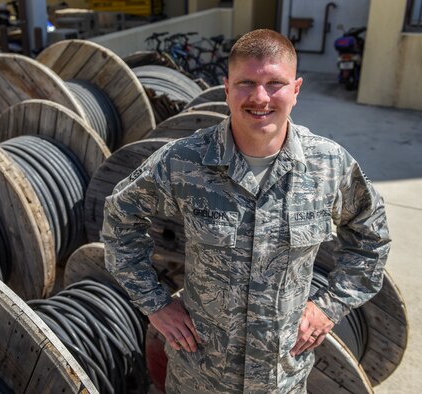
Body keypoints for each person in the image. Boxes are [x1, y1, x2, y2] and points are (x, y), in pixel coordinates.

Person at [102, 29, 390, 393]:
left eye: (275, 83)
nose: (259, 97)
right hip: (199, 379)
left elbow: (371, 239)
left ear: (296, 90)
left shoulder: (328, 166)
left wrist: (329, 307)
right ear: (226, 88)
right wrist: (155, 304)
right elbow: (119, 219)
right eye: (246, 83)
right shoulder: (184, 160)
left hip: (280, 381)